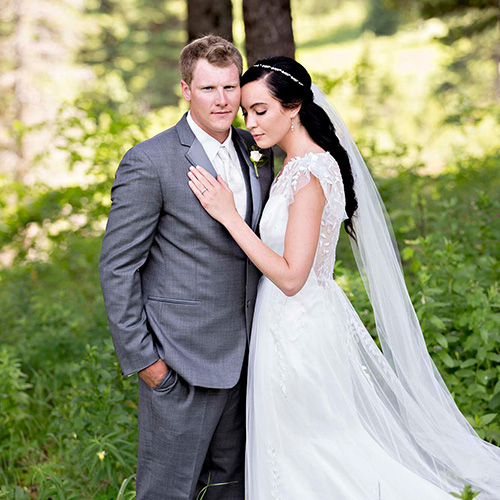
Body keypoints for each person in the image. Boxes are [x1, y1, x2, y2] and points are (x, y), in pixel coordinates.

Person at [187, 56, 500, 499]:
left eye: (261, 110)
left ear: (293, 107)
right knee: (295, 449)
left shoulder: (311, 172)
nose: (251, 124)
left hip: (298, 332)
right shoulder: (293, 168)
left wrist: (230, 217)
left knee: (317, 450)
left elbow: (294, 276)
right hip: (283, 325)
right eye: (246, 113)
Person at [99, 35, 274, 500]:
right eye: (208, 89)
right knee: (167, 492)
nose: (221, 100)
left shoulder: (257, 152)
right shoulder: (150, 162)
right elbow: (118, 268)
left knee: (231, 490)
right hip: (180, 365)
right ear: (185, 89)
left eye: (230, 87)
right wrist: (148, 364)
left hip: (252, 360)